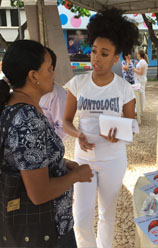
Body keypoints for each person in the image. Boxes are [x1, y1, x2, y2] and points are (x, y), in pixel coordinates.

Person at [0, 39, 93, 247]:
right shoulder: (28, 120)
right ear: (33, 76)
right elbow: (39, 193)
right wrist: (76, 176)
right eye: (49, 68)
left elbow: (22, 161)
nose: (53, 73)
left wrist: (59, 163)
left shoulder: (13, 107)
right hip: (46, 230)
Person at [63, 8, 139, 248]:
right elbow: (66, 120)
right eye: (94, 51)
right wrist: (77, 134)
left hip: (113, 159)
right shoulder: (78, 83)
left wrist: (120, 134)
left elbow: (132, 124)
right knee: (81, 216)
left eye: (104, 53)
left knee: (107, 214)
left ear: (116, 58)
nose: (96, 58)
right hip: (83, 158)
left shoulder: (124, 89)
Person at [39, 47, 68, 140]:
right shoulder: (30, 91)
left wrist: (47, 147)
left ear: (51, 69)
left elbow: (63, 128)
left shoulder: (58, 95)